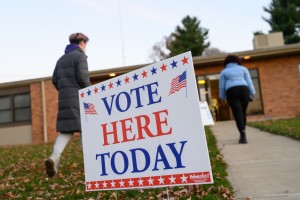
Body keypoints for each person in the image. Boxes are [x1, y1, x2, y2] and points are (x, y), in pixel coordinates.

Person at [45, 33, 91, 177]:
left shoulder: (61, 60)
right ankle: (90, 164)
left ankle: (54, 157)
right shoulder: (80, 56)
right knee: (86, 129)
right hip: (79, 99)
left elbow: (54, 80)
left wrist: (64, 91)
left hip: (64, 100)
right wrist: (91, 93)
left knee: (66, 132)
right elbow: (83, 78)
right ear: (82, 42)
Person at [219, 55, 255, 144]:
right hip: (244, 89)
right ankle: (243, 133)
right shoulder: (243, 69)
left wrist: (222, 97)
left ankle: (243, 135)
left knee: (237, 113)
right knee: (243, 113)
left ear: (226, 62)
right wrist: (252, 93)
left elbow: (221, 86)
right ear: (237, 61)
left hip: (231, 91)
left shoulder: (224, 72)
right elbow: (249, 81)